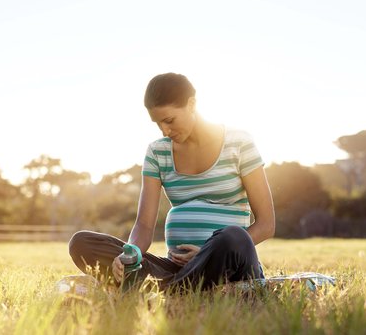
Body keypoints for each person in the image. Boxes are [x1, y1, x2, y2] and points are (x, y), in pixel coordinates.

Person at [69, 73, 275, 291]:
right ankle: (180, 288)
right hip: (177, 269)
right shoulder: (157, 152)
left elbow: (266, 225)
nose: (165, 131)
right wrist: (131, 254)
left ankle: (161, 289)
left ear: (192, 104)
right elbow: (144, 225)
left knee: (233, 236)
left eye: (169, 120)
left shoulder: (239, 142)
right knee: (82, 243)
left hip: (230, 266)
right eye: (158, 124)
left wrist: (206, 254)